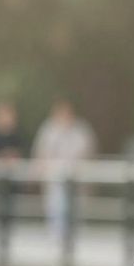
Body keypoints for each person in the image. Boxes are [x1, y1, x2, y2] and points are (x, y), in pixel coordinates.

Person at [32, 99, 96, 239]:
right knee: (57, 205)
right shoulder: (48, 130)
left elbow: (87, 153)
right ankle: (57, 236)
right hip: (55, 180)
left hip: (76, 179)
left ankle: (74, 237)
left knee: (75, 207)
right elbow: (41, 153)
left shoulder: (80, 130)